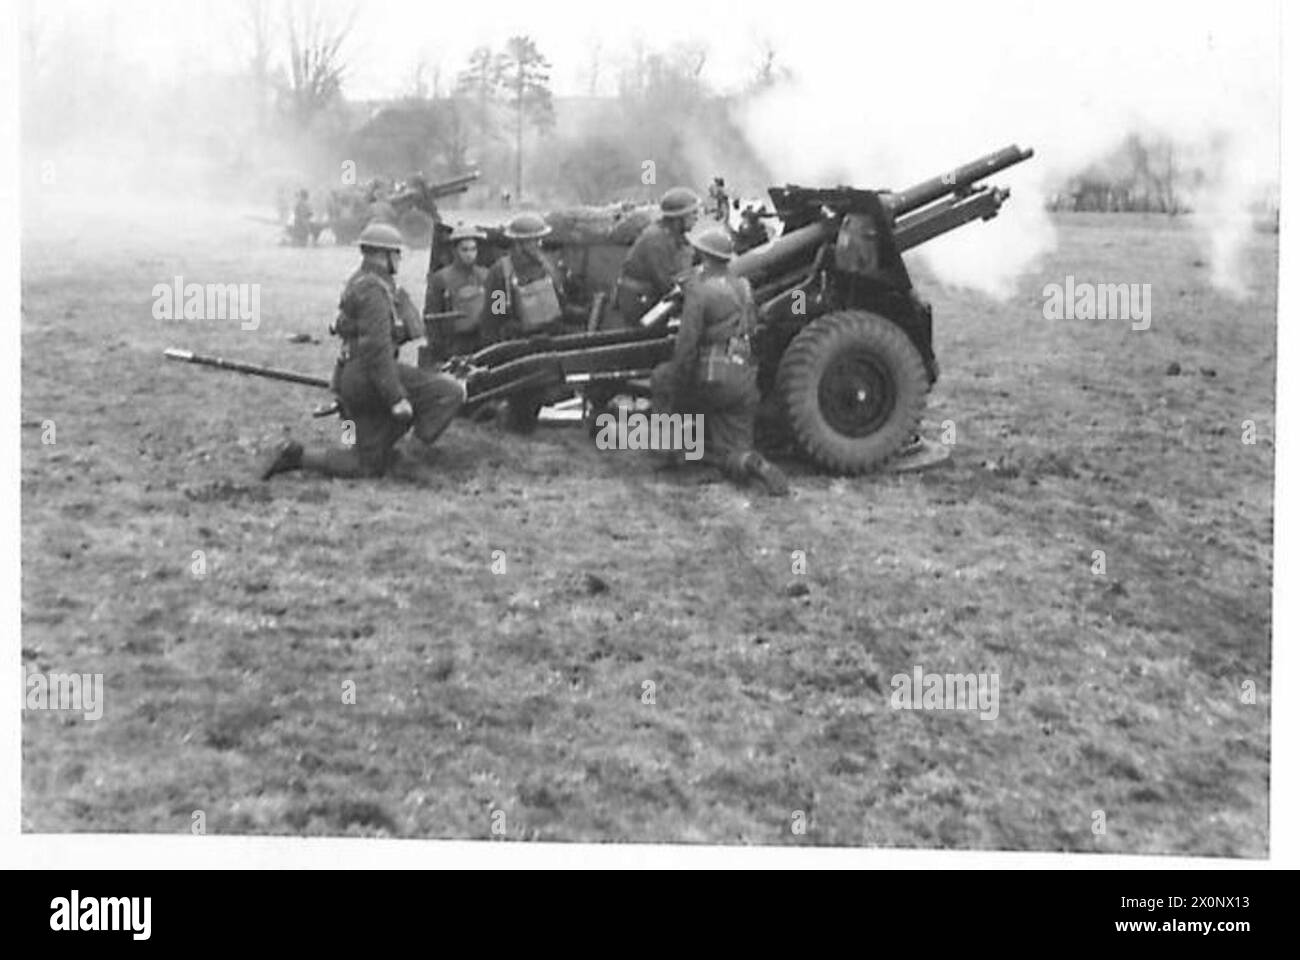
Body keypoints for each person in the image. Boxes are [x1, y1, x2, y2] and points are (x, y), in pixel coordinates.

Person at [259, 223, 465, 481]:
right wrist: (396, 398)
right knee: (448, 392)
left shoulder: (362, 282)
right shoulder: (374, 290)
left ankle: (297, 456)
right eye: (397, 253)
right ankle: (411, 457)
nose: (399, 259)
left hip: (352, 377)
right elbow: (377, 349)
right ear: (384, 254)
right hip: (369, 379)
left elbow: (366, 335)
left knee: (366, 464)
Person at [650, 227, 790, 496]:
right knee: (734, 448)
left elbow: (686, 346)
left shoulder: (700, 291)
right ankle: (750, 463)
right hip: (744, 382)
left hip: (714, 378)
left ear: (704, 256)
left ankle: (672, 455)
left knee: (663, 378)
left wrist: (678, 381)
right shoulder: (744, 286)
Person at [616, 186, 700, 325]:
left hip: (650, 299)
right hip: (640, 303)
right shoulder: (656, 239)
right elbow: (667, 284)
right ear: (678, 218)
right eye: (693, 213)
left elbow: (692, 257)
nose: (697, 217)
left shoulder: (674, 235)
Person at [480, 212, 566, 343]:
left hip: (549, 341)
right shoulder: (501, 273)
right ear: (518, 244)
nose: (539, 245)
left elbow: (561, 304)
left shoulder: (547, 268)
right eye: (533, 240)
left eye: (540, 240)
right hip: (517, 346)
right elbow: (495, 319)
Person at [425, 223, 489, 360]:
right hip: (453, 345)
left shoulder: (487, 275)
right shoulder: (440, 279)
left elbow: (499, 311)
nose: (470, 254)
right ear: (454, 251)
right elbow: (431, 317)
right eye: (464, 250)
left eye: (473, 249)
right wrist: (438, 350)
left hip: (483, 343)